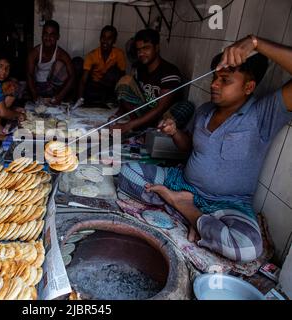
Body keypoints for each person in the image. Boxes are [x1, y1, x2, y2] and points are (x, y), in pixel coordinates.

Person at [118, 35, 292, 263]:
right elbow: (188, 147)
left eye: (225, 80)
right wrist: (175, 133)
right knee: (127, 173)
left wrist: (256, 43)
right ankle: (197, 218)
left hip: (227, 203)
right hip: (181, 183)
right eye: (215, 78)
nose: (214, 85)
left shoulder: (262, 114)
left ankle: (185, 209)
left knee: (247, 248)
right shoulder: (206, 110)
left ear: (248, 86)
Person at [111, 29, 193, 134]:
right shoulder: (140, 69)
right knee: (125, 81)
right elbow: (128, 95)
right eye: (138, 50)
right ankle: (139, 126)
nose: (141, 53)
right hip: (145, 112)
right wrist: (117, 115)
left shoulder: (170, 72)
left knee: (187, 106)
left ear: (157, 48)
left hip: (162, 117)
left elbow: (161, 107)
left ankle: (142, 127)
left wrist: (128, 125)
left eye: (146, 48)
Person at [26, 20, 75, 105]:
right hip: (37, 86)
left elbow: (72, 76)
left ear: (58, 37)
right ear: (42, 35)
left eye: (52, 35)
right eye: (45, 34)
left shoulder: (61, 54)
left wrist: (60, 96)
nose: (48, 38)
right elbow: (29, 75)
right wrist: (34, 95)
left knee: (61, 65)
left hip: (53, 88)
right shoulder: (34, 53)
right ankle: (41, 97)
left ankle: (54, 98)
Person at [76, 25, 126, 106]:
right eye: (103, 37)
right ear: (100, 38)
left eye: (109, 38)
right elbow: (83, 80)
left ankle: (113, 100)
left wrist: (122, 99)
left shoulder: (119, 54)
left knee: (114, 72)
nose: (105, 41)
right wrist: (79, 99)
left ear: (114, 40)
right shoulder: (92, 55)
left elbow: (123, 76)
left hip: (110, 87)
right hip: (95, 86)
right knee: (77, 62)